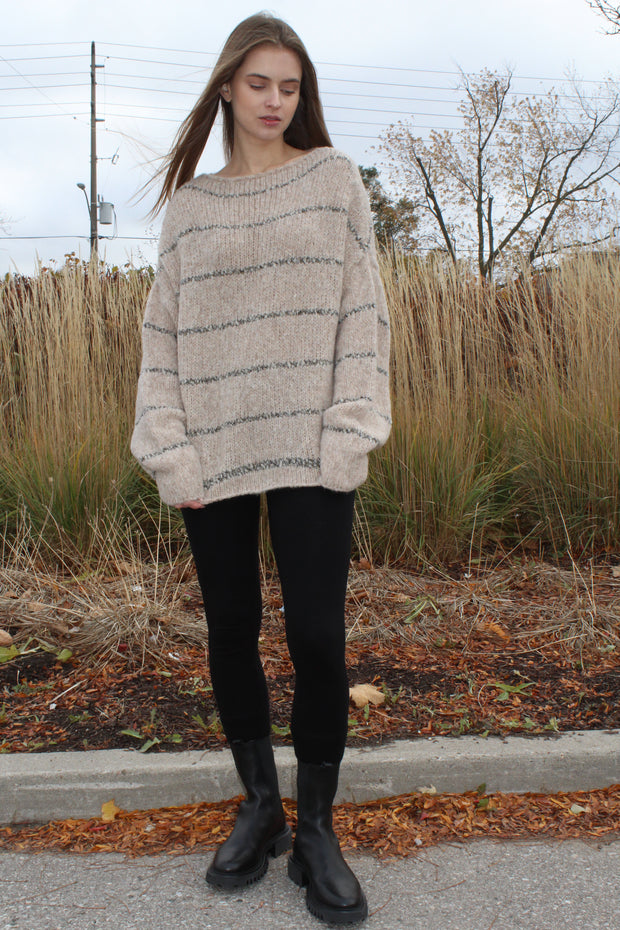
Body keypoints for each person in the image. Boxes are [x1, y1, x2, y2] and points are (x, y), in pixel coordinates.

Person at [131, 12, 391, 926]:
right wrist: (169, 448)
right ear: (227, 89)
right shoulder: (191, 207)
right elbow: (162, 335)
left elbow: (364, 313)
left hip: (315, 446)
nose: (274, 100)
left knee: (317, 636)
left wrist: (351, 428)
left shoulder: (333, 179)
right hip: (213, 450)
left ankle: (316, 827)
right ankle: (261, 807)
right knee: (231, 628)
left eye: (289, 86)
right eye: (258, 84)